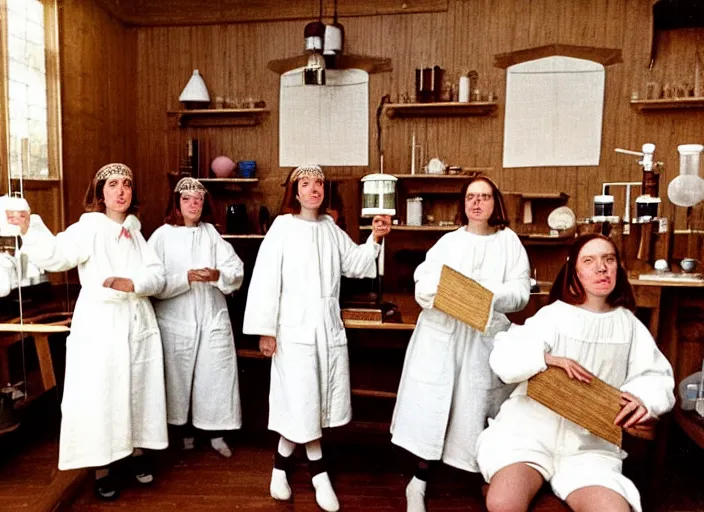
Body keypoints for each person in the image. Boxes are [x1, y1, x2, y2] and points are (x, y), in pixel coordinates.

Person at [476, 233, 675, 512]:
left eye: (609, 259)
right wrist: (545, 358)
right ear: (576, 272)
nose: (601, 268)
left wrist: (642, 399)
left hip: (589, 448)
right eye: (589, 261)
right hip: (528, 435)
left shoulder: (628, 325)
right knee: (503, 504)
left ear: (618, 267)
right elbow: (504, 359)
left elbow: (655, 376)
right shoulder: (554, 315)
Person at [6, 163, 168, 501]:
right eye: (112, 185)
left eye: (126, 184)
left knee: (136, 387)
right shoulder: (88, 228)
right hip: (101, 324)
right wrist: (28, 229)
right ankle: (102, 467)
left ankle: (136, 451)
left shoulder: (136, 232)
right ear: (100, 193)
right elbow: (56, 255)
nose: (121, 191)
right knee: (101, 393)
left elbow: (158, 275)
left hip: (137, 320)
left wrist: (133, 283)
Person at [243, 164, 391, 512]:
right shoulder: (282, 227)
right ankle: (317, 472)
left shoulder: (329, 228)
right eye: (305, 184)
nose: (313, 190)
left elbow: (355, 263)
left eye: (319, 184)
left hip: (325, 325)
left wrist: (375, 238)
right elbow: (265, 280)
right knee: (301, 398)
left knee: (314, 400)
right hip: (292, 327)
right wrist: (266, 330)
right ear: (294, 192)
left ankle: (280, 469)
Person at [390, 176, 530, 512]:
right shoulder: (448, 242)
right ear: (463, 204)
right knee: (433, 409)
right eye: (471, 197)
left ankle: (486, 481)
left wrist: (485, 296)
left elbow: (520, 293)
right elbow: (422, 281)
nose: (477, 203)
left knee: (475, 408)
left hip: (481, 339)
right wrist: (441, 293)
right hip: (442, 338)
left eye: (484, 196)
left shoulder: (508, 241)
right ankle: (418, 482)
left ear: (495, 203)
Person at [148, 177, 244, 458]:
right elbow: (153, 281)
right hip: (175, 321)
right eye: (187, 199)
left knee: (214, 377)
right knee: (177, 379)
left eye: (199, 199)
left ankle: (216, 433)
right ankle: (182, 434)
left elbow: (235, 269)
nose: (194, 204)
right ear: (176, 203)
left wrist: (218, 276)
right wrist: (186, 277)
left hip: (211, 318)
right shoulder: (161, 236)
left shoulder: (211, 234)